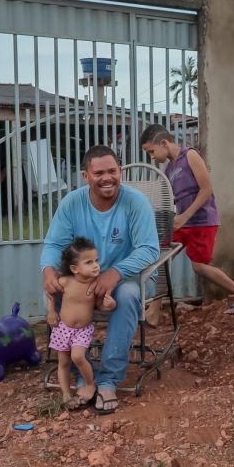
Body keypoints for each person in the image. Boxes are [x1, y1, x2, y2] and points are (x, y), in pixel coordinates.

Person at [39, 146, 160, 415]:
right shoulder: (72, 203)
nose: (107, 178)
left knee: (127, 295)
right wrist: (48, 270)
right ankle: (85, 376)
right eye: (99, 173)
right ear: (86, 176)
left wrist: (114, 274)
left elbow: (149, 249)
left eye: (113, 171)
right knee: (56, 291)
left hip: (132, 278)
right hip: (84, 280)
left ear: (120, 171)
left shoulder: (136, 202)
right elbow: (54, 244)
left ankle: (108, 381)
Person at [139, 123, 234, 315]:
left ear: (163, 143)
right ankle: (153, 312)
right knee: (161, 258)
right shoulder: (169, 170)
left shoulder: (190, 155)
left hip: (202, 221)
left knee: (199, 267)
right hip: (183, 223)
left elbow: (206, 189)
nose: (151, 157)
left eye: (151, 151)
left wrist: (185, 215)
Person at [45, 237, 115, 409]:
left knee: (77, 356)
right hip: (63, 328)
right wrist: (51, 311)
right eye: (89, 262)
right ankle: (66, 394)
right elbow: (50, 293)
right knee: (63, 363)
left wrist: (111, 305)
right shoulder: (66, 281)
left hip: (82, 330)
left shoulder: (96, 285)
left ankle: (90, 384)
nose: (95, 265)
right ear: (75, 268)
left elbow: (99, 306)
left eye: (96, 260)